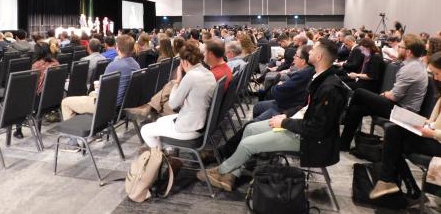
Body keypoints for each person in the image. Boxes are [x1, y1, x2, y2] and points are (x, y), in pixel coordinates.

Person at [196, 39, 345, 191]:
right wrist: (286, 116)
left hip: (311, 142)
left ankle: (221, 171)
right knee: (250, 129)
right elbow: (306, 108)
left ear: (319, 57)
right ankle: (231, 173)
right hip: (301, 126)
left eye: (313, 49)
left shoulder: (329, 88)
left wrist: (285, 123)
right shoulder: (321, 78)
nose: (310, 51)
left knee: (248, 144)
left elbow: (317, 128)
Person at [370, 51, 441, 200]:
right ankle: (394, 182)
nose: (436, 78)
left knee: (393, 143)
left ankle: (394, 182)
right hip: (432, 134)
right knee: (393, 132)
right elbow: (433, 121)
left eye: (438, 74)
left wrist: (431, 132)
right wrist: (417, 121)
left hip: (437, 141)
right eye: (434, 74)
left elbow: (435, 128)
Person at [340, 34, 429, 150]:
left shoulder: (410, 69)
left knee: (359, 92)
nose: (398, 49)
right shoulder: (415, 66)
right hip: (400, 107)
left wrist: (385, 94)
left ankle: (343, 122)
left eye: (400, 47)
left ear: (409, 52)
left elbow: (394, 97)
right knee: (357, 108)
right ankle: (343, 144)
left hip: (403, 112)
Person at [60, 35, 139, 152]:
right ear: (132, 48)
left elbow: (103, 89)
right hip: (119, 106)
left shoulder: (114, 65)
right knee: (91, 93)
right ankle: (88, 131)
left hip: (106, 108)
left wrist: (98, 87)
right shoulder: (135, 64)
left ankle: (74, 143)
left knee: (66, 102)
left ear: (117, 48)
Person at [140, 42, 217, 149]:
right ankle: (168, 152)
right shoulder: (208, 72)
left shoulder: (191, 76)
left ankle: (163, 158)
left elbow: (173, 104)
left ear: (184, 62)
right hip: (201, 123)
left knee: (145, 130)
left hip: (190, 127)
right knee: (160, 121)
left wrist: (177, 81)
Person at [253, 45, 314, 121]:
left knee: (271, 77)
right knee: (258, 106)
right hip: (286, 100)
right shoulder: (305, 70)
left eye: (296, 56)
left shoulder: (302, 74)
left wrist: (279, 73)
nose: (293, 57)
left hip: (285, 107)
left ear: (303, 61)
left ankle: (263, 92)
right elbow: (286, 64)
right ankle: (262, 91)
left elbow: (278, 92)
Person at [13, 42, 60, 140]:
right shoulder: (55, 63)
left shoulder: (37, 65)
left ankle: (18, 131)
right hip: (53, 99)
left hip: (39, 101)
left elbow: (33, 85)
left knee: (17, 99)